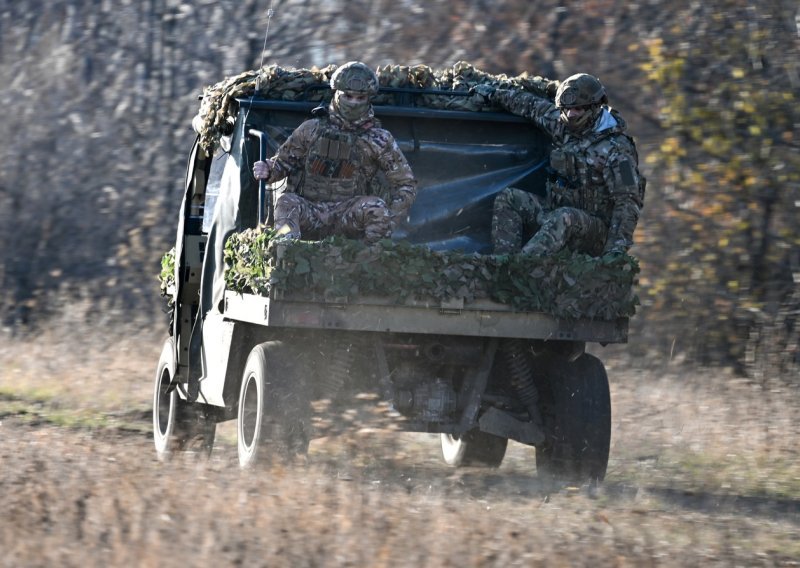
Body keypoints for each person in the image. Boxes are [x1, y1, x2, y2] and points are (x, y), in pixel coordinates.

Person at [474, 73, 645, 257]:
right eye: (566, 109)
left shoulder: (618, 149)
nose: (571, 114)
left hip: (596, 232)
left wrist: (615, 250)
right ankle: (503, 261)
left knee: (564, 217)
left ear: (595, 107)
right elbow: (529, 105)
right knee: (510, 198)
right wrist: (492, 94)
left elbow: (628, 201)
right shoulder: (562, 125)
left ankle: (520, 269)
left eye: (578, 109)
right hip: (557, 213)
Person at [252, 61, 417, 243]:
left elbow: (405, 185)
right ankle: (285, 255)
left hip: (349, 216)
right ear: (337, 94)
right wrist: (268, 169)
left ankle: (368, 262)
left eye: (360, 98)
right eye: (348, 96)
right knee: (286, 202)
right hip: (309, 211)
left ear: (369, 99)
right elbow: (282, 164)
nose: (353, 103)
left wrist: (389, 221)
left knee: (376, 208)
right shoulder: (311, 129)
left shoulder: (379, 140)